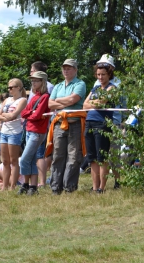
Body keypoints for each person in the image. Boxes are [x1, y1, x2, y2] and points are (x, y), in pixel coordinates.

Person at [46, 59, 86, 194]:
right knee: (57, 155)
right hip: (58, 124)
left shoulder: (80, 84)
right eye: (64, 68)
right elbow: (50, 104)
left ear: (75, 70)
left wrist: (58, 101)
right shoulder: (57, 86)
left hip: (75, 123)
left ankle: (70, 187)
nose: (66, 70)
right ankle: (55, 188)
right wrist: (64, 102)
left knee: (74, 156)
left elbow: (72, 100)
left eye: (69, 68)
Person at [83, 57, 117, 193]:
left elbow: (103, 102)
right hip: (89, 122)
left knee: (101, 157)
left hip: (102, 124)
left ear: (109, 74)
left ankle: (101, 188)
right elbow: (85, 105)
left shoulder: (112, 88)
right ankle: (95, 186)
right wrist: (95, 103)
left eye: (103, 74)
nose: (100, 77)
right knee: (92, 158)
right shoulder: (95, 88)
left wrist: (95, 102)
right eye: (98, 74)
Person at [18, 71, 51, 195]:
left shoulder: (45, 96)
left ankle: (27, 184)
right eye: (32, 81)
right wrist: (32, 113)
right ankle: (31, 186)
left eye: (36, 80)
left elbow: (37, 115)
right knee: (31, 159)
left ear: (42, 82)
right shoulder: (34, 96)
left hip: (37, 132)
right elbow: (23, 113)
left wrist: (31, 114)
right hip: (29, 130)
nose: (33, 82)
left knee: (24, 159)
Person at [93, 54, 122, 189]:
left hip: (114, 120)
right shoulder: (97, 82)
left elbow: (115, 102)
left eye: (106, 65)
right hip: (98, 120)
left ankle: (118, 181)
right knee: (100, 154)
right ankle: (98, 184)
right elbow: (93, 101)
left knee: (113, 153)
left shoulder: (117, 83)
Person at [0, 78, 27, 190]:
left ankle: (13, 186)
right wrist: (6, 116)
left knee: (14, 160)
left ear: (18, 87)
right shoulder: (7, 100)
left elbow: (14, 115)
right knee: (5, 161)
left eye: (11, 87)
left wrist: (5, 116)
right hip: (4, 132)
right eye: (8, 88)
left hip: (15, 133)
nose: (9, 90)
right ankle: (5, 186)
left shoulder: (22, 100)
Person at [28, 61, 54, 188]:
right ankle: (36, 181)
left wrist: (31, 115)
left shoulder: (48, 87)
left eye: (32, 70)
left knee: (39, 154)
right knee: (35, 154)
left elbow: (43, 109)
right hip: (31, 124)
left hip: (41, 125)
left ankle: (42, 182)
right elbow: (28, 108)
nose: (30, 73)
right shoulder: (34, 87)